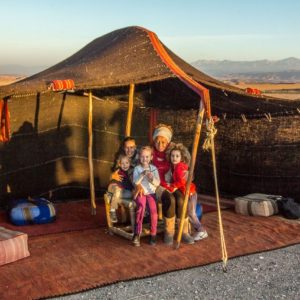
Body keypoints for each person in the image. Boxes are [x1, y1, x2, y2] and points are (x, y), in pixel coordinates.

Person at [152, 124, 194, 245]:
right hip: (157, 186)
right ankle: (169, 233)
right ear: (154, 141)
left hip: (171, 184)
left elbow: (183, 168)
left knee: (181, 199)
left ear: (168, 142)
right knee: (169, 199)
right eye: (158, 141)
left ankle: (184, 232)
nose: (160, 145)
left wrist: (188, 175)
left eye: (164, 142)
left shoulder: (171, 154)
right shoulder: (150, 154)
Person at [165, 143, 208, 242]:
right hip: (186, 192)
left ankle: (201, 230)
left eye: (177, 156)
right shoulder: (174, 167)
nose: (174, 158)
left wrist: (173, 187)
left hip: (190, 193)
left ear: (181, 157)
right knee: (188, 212)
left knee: (191, 212)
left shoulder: (180, 167)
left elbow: (182, 181)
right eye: (172, 156)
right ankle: (195, 230)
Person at [132, 146, 160, 247]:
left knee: (153, 211)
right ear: (140, 157)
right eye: (143, 157)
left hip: (151, 193)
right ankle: (137, 234)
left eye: (147, 157)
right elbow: (135, 182)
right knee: (141, 208)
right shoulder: (137, 169)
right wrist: (142, 174)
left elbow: (157, 183)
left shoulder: (154, 169)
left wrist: (152, 178)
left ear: (151, 157)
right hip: (141, 193)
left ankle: (153, 234)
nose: (145, 159)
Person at [107, 154, 134, 223]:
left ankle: (111, 196)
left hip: (128, 192)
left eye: (127, 163)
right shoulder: (118, 171)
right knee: (116, 190)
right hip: (118, 190)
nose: (125, 165)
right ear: (119, 164)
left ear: (130, 163)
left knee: (116, 193)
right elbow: (113, 181)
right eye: (122, 163)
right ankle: (112, 211)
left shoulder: (132, 171)